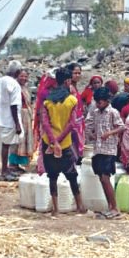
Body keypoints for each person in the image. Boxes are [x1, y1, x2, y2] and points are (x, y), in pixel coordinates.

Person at [39, 67, 87, 216]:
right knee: (71, 175)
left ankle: (55, 210)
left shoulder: (47, 101)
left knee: (52, 176)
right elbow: (72, 124)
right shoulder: (72, 100)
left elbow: (45, 123)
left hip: (49, 143)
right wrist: (59, 141)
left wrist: (53, 142)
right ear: (67, 81)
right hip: (65, 144)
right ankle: (80, 207)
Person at [85, 87, 125, 219]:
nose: (98, 104)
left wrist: (109, 133)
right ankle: (110, 206)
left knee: (105, 178)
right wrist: (91, 134)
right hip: (98, 149)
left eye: (100, 102)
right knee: (102, 178)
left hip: (109, 149)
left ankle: (115, 207)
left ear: (107, 101)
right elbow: (89, 125)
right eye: (96, 102)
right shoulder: (95, 112)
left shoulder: (113, 112)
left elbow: (121, 127)